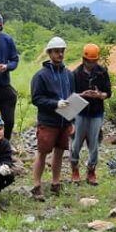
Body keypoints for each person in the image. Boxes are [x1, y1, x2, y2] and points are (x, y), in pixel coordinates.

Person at [30, 36, 75, 200]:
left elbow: (72, 98)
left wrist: (72, 120)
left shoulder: (68, 74)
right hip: (48, 122)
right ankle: (36, 186)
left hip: (64, 122)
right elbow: (36, 99)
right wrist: (55, 103)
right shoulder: (40, 76)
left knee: (59, 153)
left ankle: (56, 184)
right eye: (57, 51)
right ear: (49, 53)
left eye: (62, 51)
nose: (60, 54)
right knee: (42, 153)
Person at [70, 43, 111, 185]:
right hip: (80, 112)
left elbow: (108, 93)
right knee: (76, 143)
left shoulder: (102, 72)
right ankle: (74, 169)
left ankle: (91, 171)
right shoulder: (76, 73)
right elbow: (71, 95)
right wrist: (83, 94)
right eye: (89, 61)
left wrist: (99, 95)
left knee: (94, 144)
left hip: (96, 112)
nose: (92, 64)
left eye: (94, 61)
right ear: (84, 59)